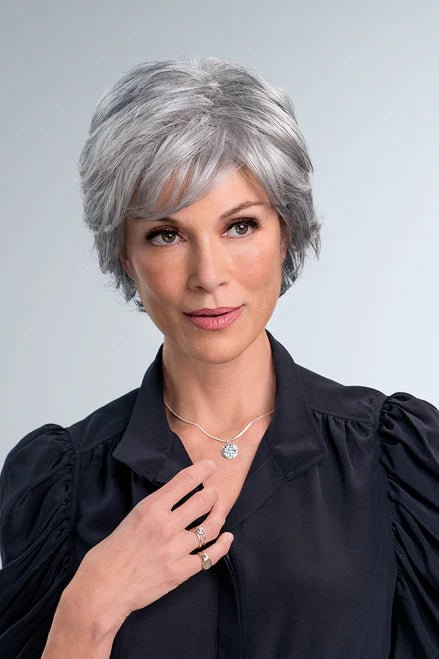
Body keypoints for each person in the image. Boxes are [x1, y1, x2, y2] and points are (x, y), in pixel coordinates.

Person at [0, 56, 438, 659]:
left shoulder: (395, 460)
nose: (208, 275)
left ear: (286, 233)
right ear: (124, 255)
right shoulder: (61, 485)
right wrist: (89, 606)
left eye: (240, 227)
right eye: (166, 234)